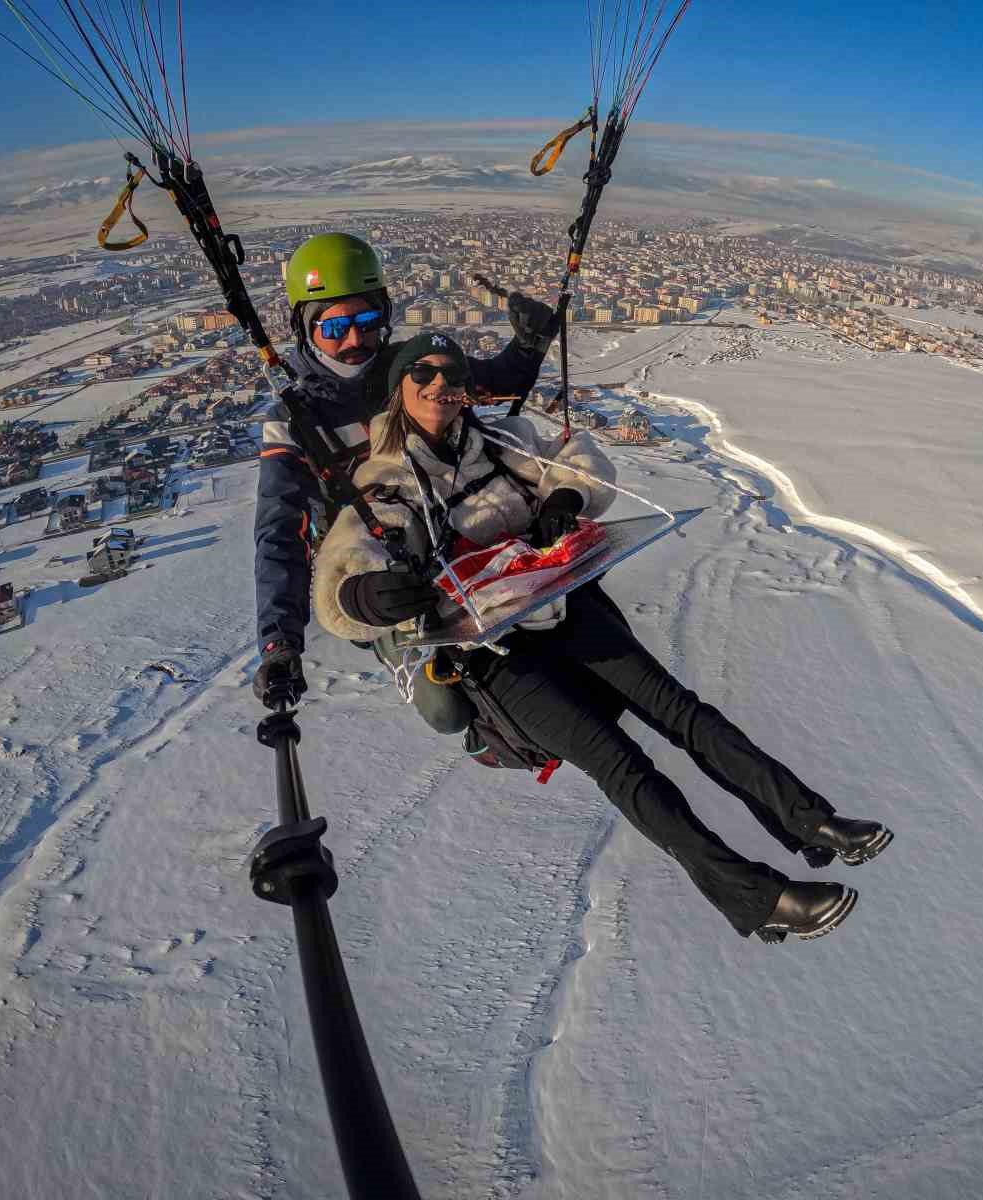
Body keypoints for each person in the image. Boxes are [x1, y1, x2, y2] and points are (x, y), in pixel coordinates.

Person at [308, 331, 894, 943]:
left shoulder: (503, 443)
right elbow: (344, 571)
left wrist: (566, 493)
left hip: (564, 606)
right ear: (400, 389)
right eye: (422, 373)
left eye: (453, 376)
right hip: (496, 657)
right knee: (621, 764)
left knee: (683, 714)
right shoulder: (386, 484)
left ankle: (811, 821)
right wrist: (362, 595)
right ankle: (760, 898)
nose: (440, 386)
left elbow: (582, 461)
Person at [250, 232, 557, 725]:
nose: (354, 341)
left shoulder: (406, 369)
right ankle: (491, 733)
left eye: (367, 322)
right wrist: (279, 642)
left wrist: (528, 345)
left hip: (452, 529)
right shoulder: (295, 418)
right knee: (448, 709)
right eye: (335, 327)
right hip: (377, 571)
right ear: (305, 329)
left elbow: (488, 386)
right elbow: (279, 533)